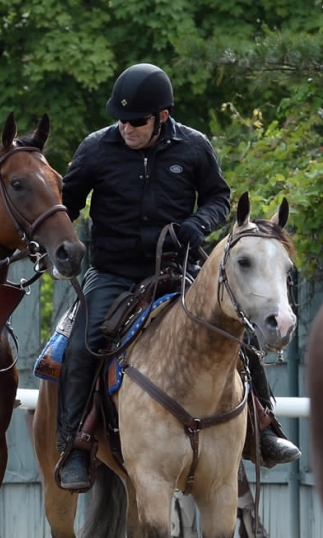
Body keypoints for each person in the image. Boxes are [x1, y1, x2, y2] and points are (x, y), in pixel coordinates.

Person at [56, 62, 300, 491]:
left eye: (137, 121)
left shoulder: (193, 147)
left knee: (235, 331)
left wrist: (198, 223)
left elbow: (219, 197)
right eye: (121, 118)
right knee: (84, 343)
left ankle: (263, 427)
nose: (126, 127)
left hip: (180, 267)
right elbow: (66, 204)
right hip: (113, 272)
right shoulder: (95, 149)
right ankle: (75, 446)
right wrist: (58, 244)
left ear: (162, 118)